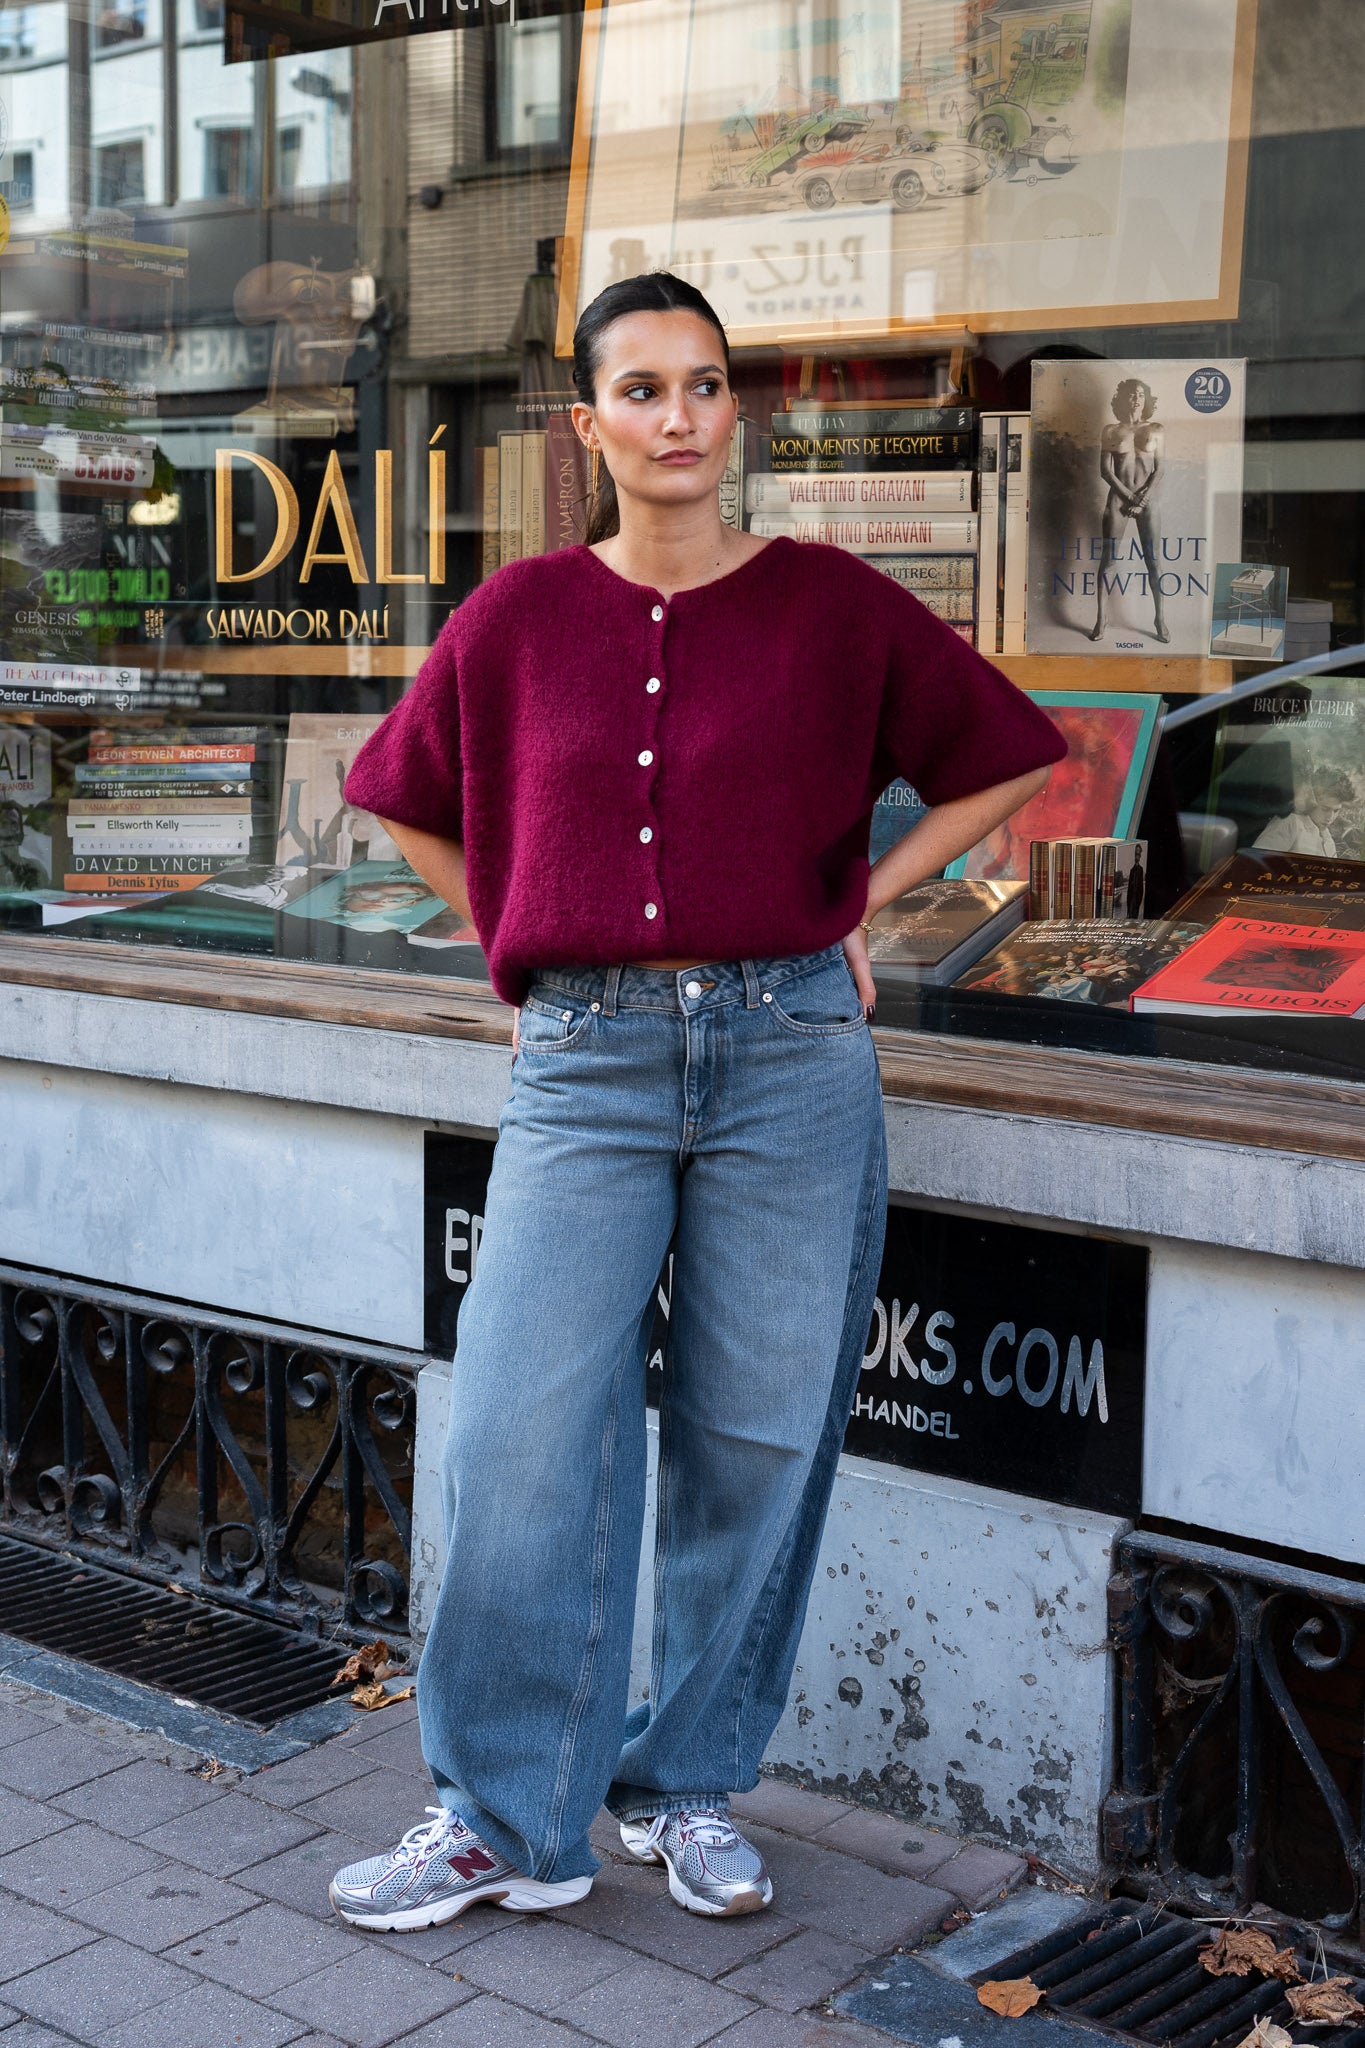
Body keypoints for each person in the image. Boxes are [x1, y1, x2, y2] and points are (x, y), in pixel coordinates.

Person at [328, 271, 1065, 1934]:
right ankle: (505, 1815)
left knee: (757, 1435)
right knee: (523, 1432)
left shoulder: (828, 606)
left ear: (737, 413)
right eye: (642, 389)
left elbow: (1006, 756)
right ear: (589, 423)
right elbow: (401, 796)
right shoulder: (515, 618)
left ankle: (687, 1786)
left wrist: (864, 904)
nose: (678, 417)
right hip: (583, 1062)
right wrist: (512, 936)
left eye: (706, 385)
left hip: (788, 1053)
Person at [1090, 377, 1169, 645]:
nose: (1136, 398)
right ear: (1122, 399)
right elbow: (1105, 471)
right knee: (1108, 561)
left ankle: (1160, 618)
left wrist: (1143, 499)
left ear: (1146, 400)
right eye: (1131, 394)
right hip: (1119, 500)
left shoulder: (1156, 429)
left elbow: (1159, 469)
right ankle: (1102, 619)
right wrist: (1130, 497)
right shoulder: (1111, 430)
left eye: (1141, 394)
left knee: (1154, 562)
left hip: (1148, 501)